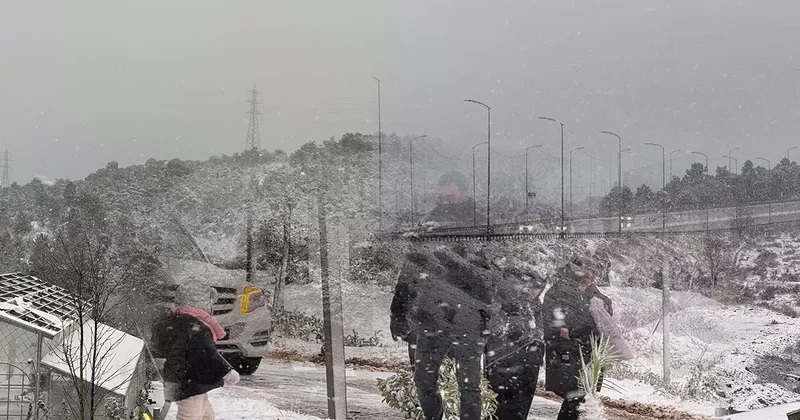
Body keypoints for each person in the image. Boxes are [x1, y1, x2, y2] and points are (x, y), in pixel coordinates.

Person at [151, 282, 241, 420]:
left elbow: (160, 347)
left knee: (206, 414)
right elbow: (208, 353)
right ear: (202, 303)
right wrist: (227, 371)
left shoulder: (174, 321)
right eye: (210, 302)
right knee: (190, 415)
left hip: (181, 378)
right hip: (190, 382)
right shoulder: (195, 327)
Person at [542, 256, 614, 420]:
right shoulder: (559, 292)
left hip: (588, 354)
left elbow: (606, 323)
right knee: (575, 398)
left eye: (592, 274)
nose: (589, 278)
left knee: (579, 400)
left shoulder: (597, 297)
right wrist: (569, 330)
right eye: (585, 273)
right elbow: (554, 324)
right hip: (567, 355)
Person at [484, 256, 545, 420]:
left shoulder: (534, 303)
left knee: (520, 405)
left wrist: (537, 342)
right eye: (533, 289)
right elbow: (494, 327)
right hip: (503, 361)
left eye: (538, 290)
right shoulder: (502, 301)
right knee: (501, 406)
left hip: (528, 363)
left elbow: (540, 328)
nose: (535, 293)